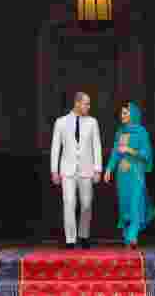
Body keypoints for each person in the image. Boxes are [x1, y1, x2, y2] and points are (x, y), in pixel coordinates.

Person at [103, 101, 155, 249]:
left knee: (135, 204)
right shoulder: (120, 132)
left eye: (126, 113)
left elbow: (146, 153)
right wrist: (109, 169)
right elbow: (115, 152)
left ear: (133, 114)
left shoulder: (141, 132)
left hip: (136, 174)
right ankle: (127, 238)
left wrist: (129, 150)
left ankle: (132, 237)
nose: (123, 116)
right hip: (122, 176)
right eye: (121, 113)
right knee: (125, 206)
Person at [50, 91, 102, 249]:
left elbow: (97, 146)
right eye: (86, 103)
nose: (88, 106)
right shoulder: (61, 122)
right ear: (77, 103)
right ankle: (70, 240)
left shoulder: (93, 122)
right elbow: (55, 147)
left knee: (86, 204)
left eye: (89, 103)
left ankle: (84, 235)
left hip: (87, 169)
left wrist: (98, 169)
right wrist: (54, 170)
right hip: (67, 170)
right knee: (69, 203)